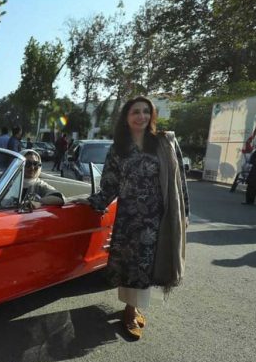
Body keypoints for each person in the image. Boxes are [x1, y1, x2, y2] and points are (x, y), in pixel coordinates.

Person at [71, 96, 189, 340]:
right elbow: (110, 184)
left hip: (157, 219)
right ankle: (130, 311)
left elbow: (180, 182)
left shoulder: (163, 143)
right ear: (126, 116)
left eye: (146, 111)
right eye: (136, 111)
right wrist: (91, 201)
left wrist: (184, 212)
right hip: (129, 218)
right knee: (131, 266)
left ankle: (131, 308)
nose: (141, 116)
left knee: (147, 265)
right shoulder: (118, 148)